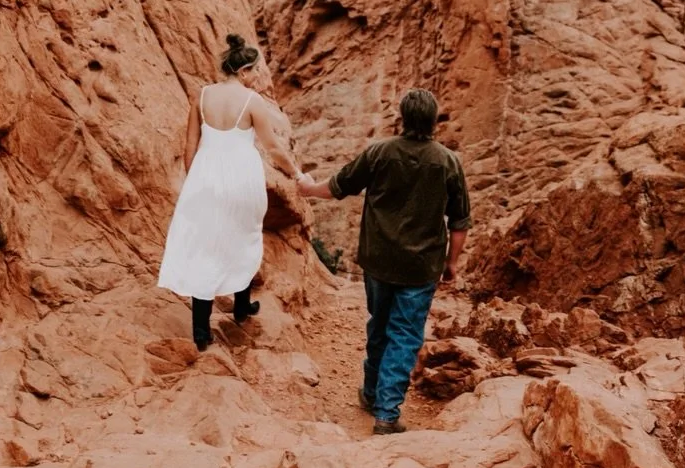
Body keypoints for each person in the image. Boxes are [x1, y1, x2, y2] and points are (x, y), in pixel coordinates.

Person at [297, 89, 470, 435]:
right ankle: (386, 412)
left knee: (380, 324)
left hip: (378, 260)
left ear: (402, 118)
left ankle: (373, 392)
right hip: (420, 267)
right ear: (434, 122)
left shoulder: (380, 152)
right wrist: (451, 264)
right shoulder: (448, 162)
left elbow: (340, 185)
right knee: (405, 334)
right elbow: (460, 222)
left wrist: (307, 188)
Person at [158, 33, 294, 350]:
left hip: (205, 178)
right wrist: (295, 172)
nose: (257, 77)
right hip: (241, 179)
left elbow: (189, 146)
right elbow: (272, 146)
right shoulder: (252, 101)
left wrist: (198, 181)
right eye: (255, 71)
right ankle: (242, 308)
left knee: (205, 247)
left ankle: (201, 332)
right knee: (242, 238)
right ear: (244, 71)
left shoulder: (202, 96)